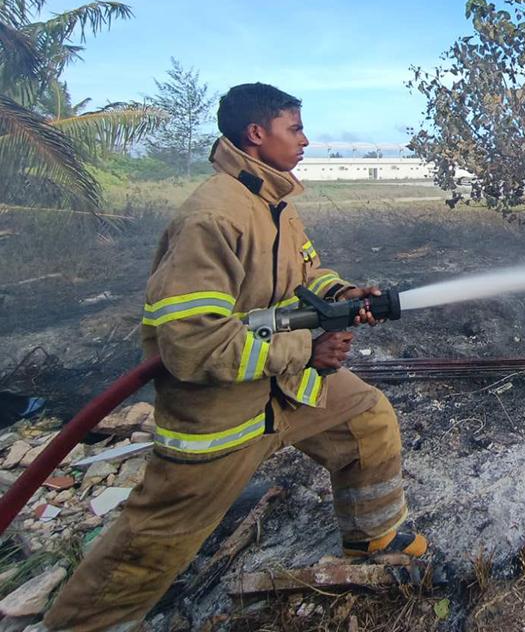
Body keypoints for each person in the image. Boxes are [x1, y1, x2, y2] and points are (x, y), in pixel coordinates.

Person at [43, 83, 427, 631]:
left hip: (287, 389)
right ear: (256, 134)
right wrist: (309, 348)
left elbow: (308, 273)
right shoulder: (213, 217)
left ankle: (374, 540)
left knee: (366, 420)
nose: (307, 140)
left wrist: (342, 295)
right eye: (294, 129)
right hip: (222, 417)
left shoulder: (275, 206)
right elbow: (194, 343)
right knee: (148, 547)